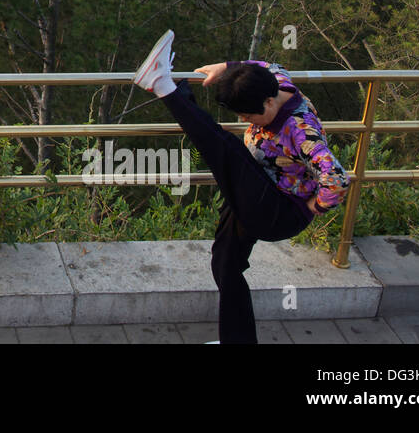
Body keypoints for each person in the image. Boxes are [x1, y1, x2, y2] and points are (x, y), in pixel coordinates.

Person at [132, 30, 351, 344]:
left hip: (278, 211)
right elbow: (268, 64)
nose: (249, 119)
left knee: (225, 147)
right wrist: (226, 67)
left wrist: (312, 207)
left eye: (250, 115)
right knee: (225, 265)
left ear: (269, 101)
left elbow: (337, 179)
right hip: (256, 193)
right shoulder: (277, 83)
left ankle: (162, 85)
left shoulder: (300, 131)